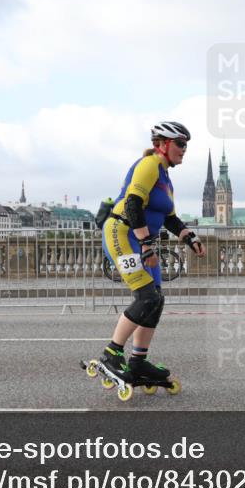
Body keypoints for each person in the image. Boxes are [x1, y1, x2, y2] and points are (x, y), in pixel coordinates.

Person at [100, 121, 206, 383]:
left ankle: (138, 361)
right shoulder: (149, 164)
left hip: (140, 238)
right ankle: (111, 354)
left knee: (156, 299)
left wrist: (189, 237)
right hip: (122, 234)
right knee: (146, 296)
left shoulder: (166, 178)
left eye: (186, 145)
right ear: (163, 144)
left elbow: (170, 218)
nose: (184, 149)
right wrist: (146, 244)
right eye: (180, 144)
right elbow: (134, 204)